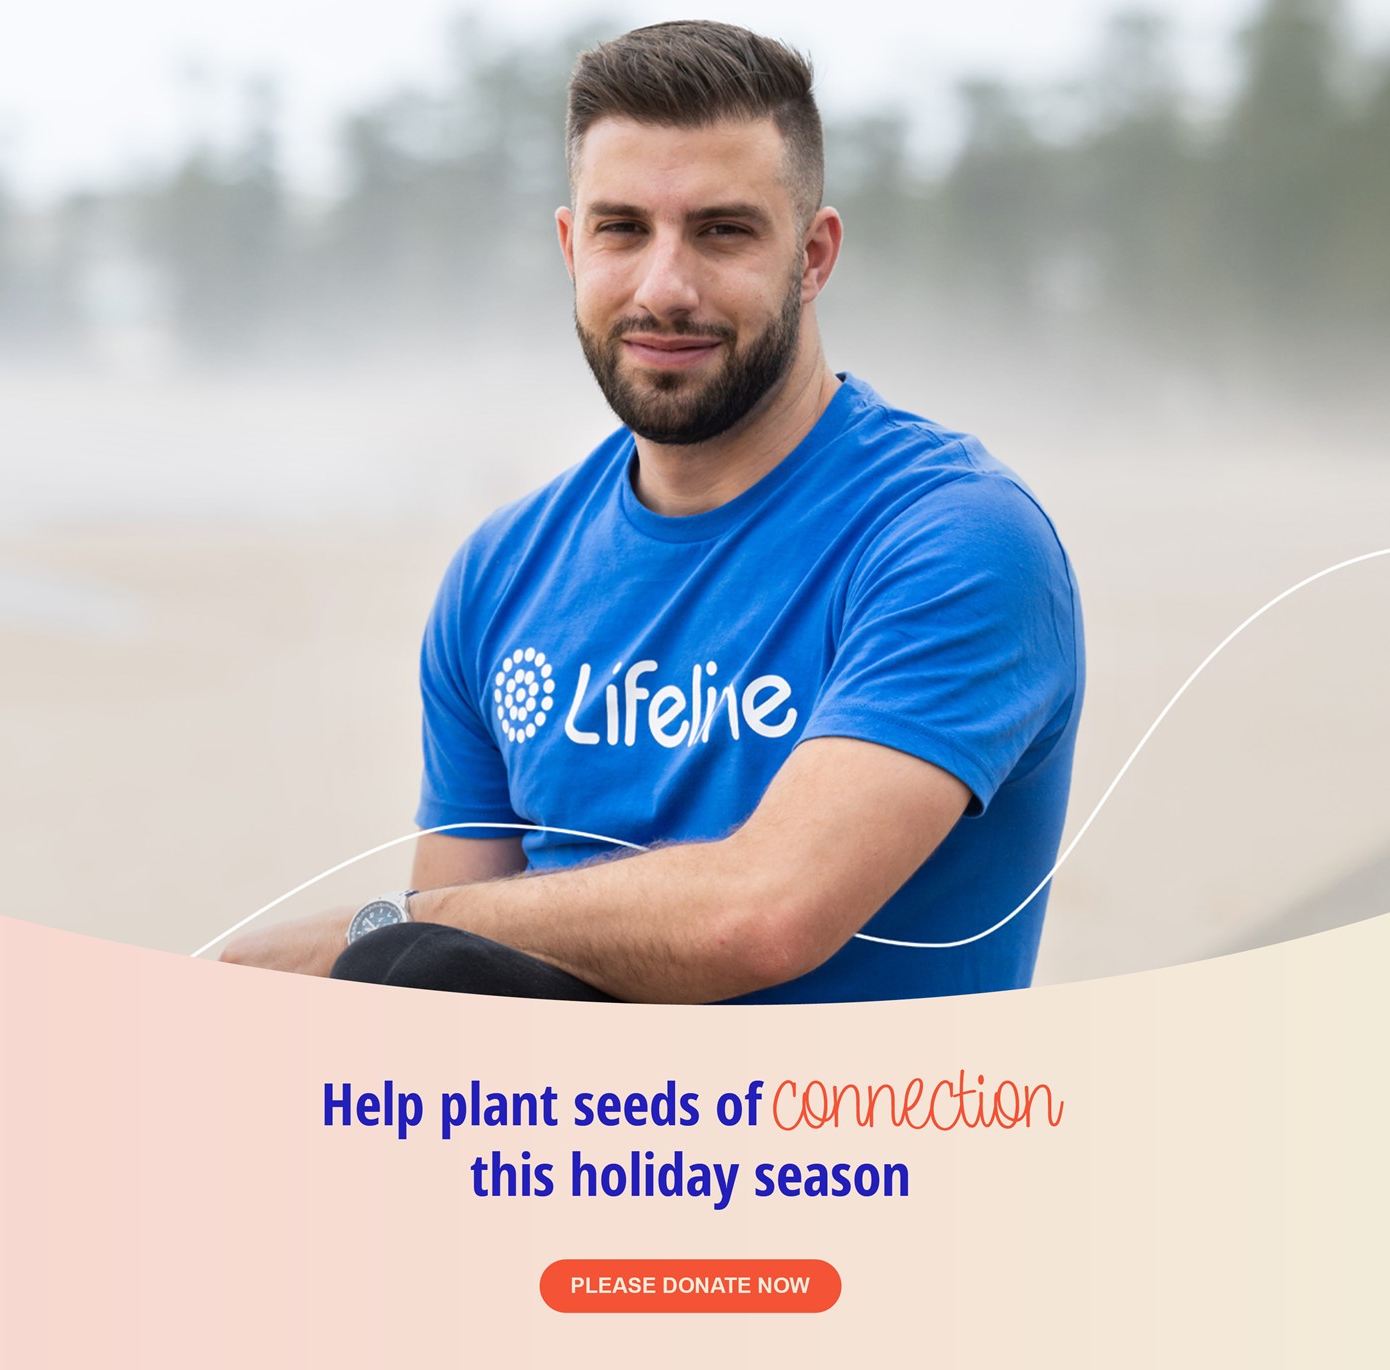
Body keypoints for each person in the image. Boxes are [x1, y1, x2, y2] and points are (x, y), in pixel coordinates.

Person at [221, 20, 1084, 1004]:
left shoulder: (951, 540)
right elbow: (440, 995)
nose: (663, 286)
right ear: (569, 245)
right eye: (621, 228)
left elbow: (761, 915)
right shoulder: (502, 571)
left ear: (812, 255)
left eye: (720, 230)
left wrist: (373, 926)